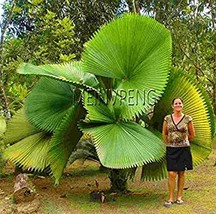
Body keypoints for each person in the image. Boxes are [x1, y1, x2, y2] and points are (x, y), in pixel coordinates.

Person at [162, 97, 195, 207]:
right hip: (171, 148)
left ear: (182, 105)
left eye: (180, 103)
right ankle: (170, 198)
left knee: (181, 172)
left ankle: (179, 197)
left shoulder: (187, 119)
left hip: (184, 149)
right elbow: (164, 133)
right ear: (172, 106)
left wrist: (183, 141)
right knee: (171, 173)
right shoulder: (167, 118)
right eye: (176, 103)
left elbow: (192, 134)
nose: (178, 105)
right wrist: (170, 143)